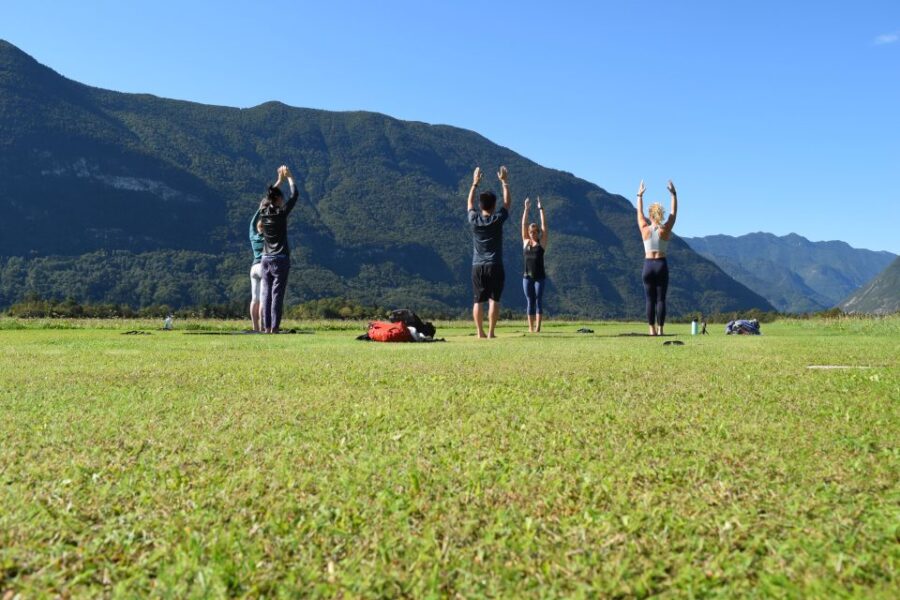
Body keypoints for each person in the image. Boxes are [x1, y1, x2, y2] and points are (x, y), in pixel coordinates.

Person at [467, 165, 512, 338]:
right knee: (494, 299)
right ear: (494, 205)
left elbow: (469, 204)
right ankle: (491, 332)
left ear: (481, 205)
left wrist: (474, 183)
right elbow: (507, 204)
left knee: (478, 300)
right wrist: (505, 182)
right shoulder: (497, 219)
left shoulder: (474, 219)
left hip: (477, 264)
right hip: (495, 264)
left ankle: (480, 332)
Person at [258, 165, 299, 333]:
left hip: (265, 258)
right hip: (280, 259)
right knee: (277, 295)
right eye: (280, 198)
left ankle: (266, 327)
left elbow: (267, 198)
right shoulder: (281, 213)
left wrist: (278, 181)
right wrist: (289, 178)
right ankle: (275, 327)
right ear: (278, 200)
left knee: (266, 294)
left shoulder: (263, 211)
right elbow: (294, 196)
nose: (282, 200)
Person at [636, 179, 677, 336]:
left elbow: (639, 213)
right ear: (661, 214)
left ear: (650, 214)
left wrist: (639, 195)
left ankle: (651, 329)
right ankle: (660, 329)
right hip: (661, 264)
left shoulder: (644, 228)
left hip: (648, 265)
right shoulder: (664, 230)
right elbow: (674, 214)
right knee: (661, 299)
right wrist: (674, 194)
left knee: (649, 300)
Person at [521, 196, 548, 333]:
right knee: (529, 301)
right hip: (527, 277)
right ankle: (530, 328)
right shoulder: (525, 242)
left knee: (538, 300)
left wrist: (540, 209)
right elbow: (523, 224)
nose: (532, 233)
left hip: (539, 277)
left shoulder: (541, 243)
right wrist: (526, 209)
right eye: (530, 231)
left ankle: (538, 328)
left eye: (535, 231)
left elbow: (545, 226)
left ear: (538, 233)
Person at [248, 214, 265, 331]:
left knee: (254, 299)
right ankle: (264, 326)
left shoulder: (253, 236)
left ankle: (255, 327)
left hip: (253, 267)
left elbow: (251, 223)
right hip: (263, 267)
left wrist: (259, 210)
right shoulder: (268, 237)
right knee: (263, 299)